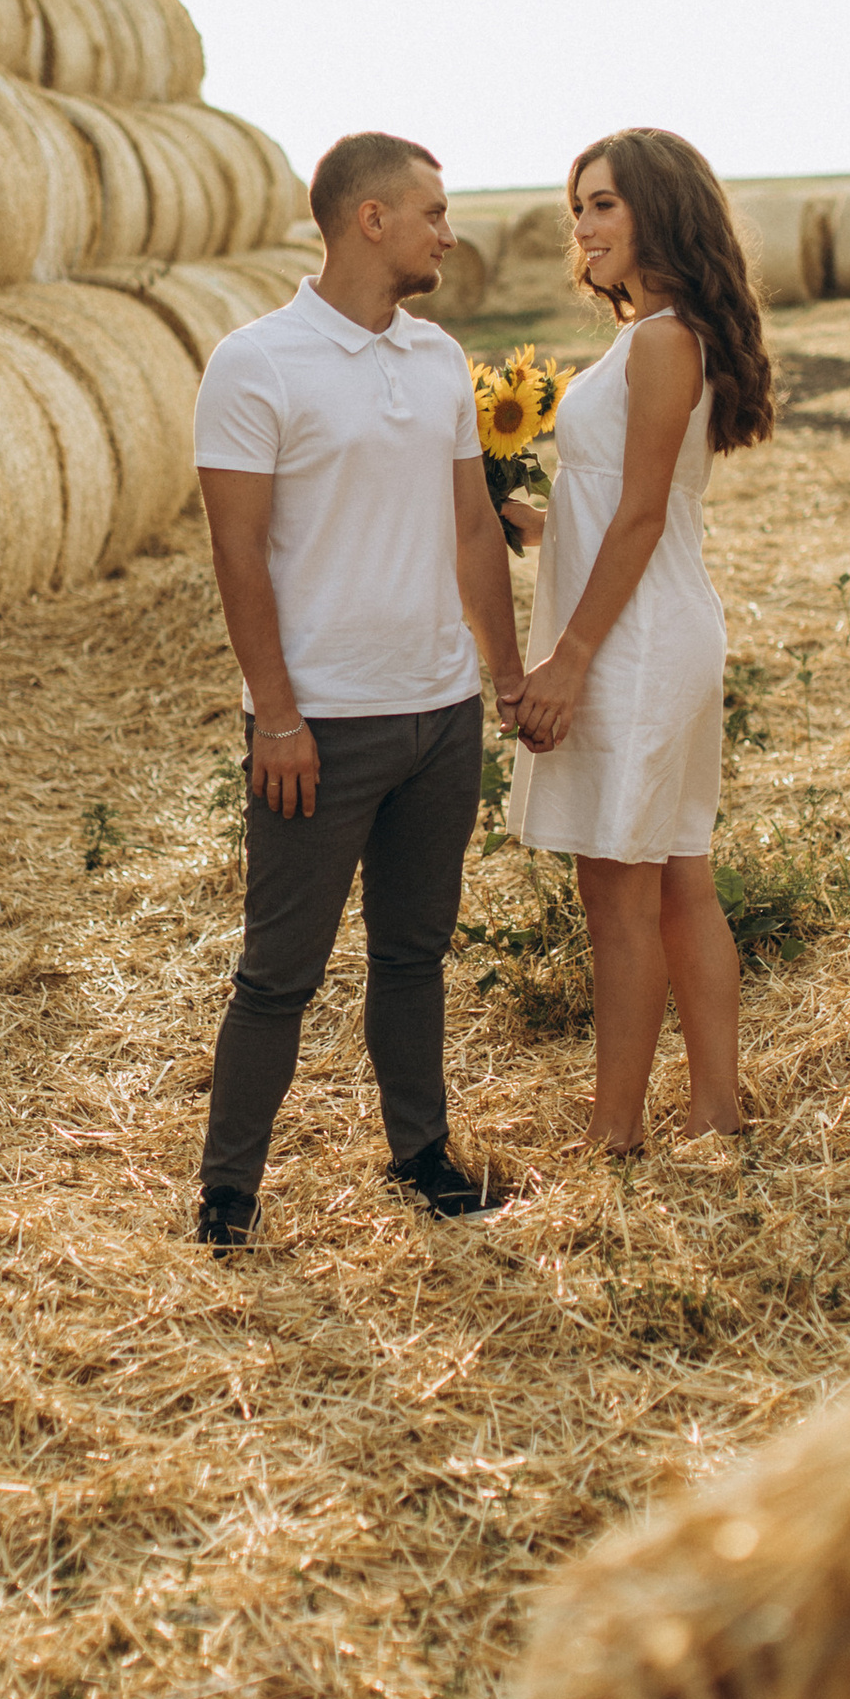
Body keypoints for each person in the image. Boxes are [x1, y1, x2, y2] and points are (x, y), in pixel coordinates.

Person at [191, 131, 527, 1248]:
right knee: (277, 972)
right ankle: (228, 1196)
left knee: (413, 957)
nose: (448, 228)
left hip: (440, 715)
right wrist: (275, 715)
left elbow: (473, 524)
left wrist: (505, 673)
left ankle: (420, 1157)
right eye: (432, 210)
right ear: (368, 219)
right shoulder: (256, 363)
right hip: (319, 728)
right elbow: (236, 554)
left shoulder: (438, 360)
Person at [506, 129, 774, 1152]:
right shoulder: (659, 333)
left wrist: (566, 659)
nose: (582, 226)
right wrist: (522, 517)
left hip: (634, 641)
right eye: (578, 206)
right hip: (648, 624)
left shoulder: (664, 341)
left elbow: (641, 516)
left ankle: (611, 1136)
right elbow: (608, 505)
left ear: (659, 211)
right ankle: (715, 1114)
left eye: (604, 203)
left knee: (622, 896)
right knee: (674, 880)